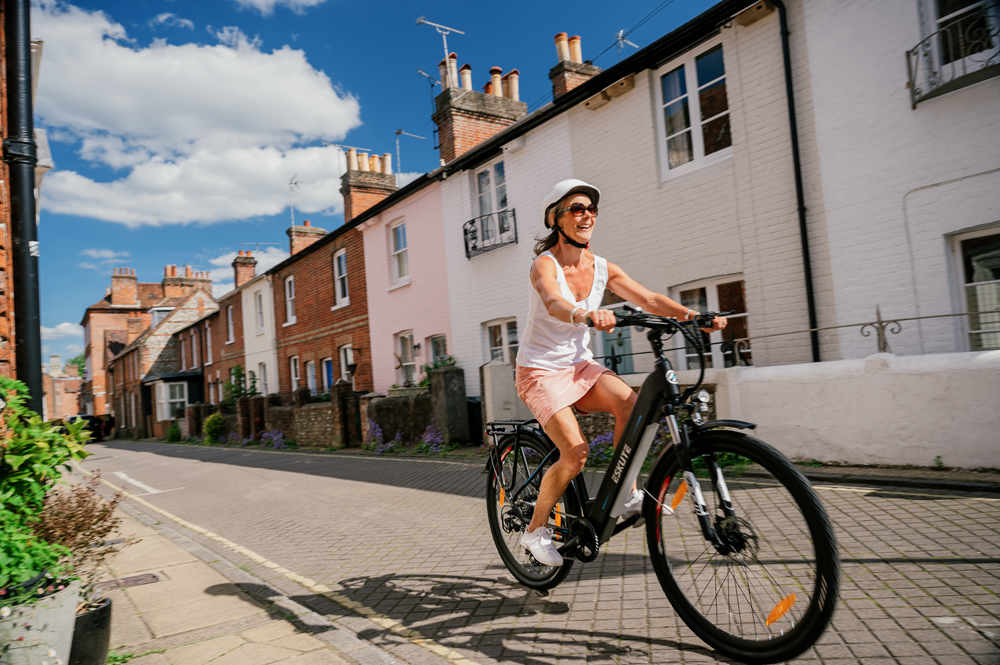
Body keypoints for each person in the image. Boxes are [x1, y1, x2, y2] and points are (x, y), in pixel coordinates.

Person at [514, 179, 727, 566]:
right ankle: (534, 532)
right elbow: (554, 302)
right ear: (555, 218)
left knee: (632, 405)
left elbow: (647, 298)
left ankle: (626, 493)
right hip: (540, 371)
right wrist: (584, 314)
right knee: (575, 453)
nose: (587, 215)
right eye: (577, 208)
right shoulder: (544, 264)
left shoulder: (601, 268)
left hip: (578, 367)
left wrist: (693, 316)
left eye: (591, 209)